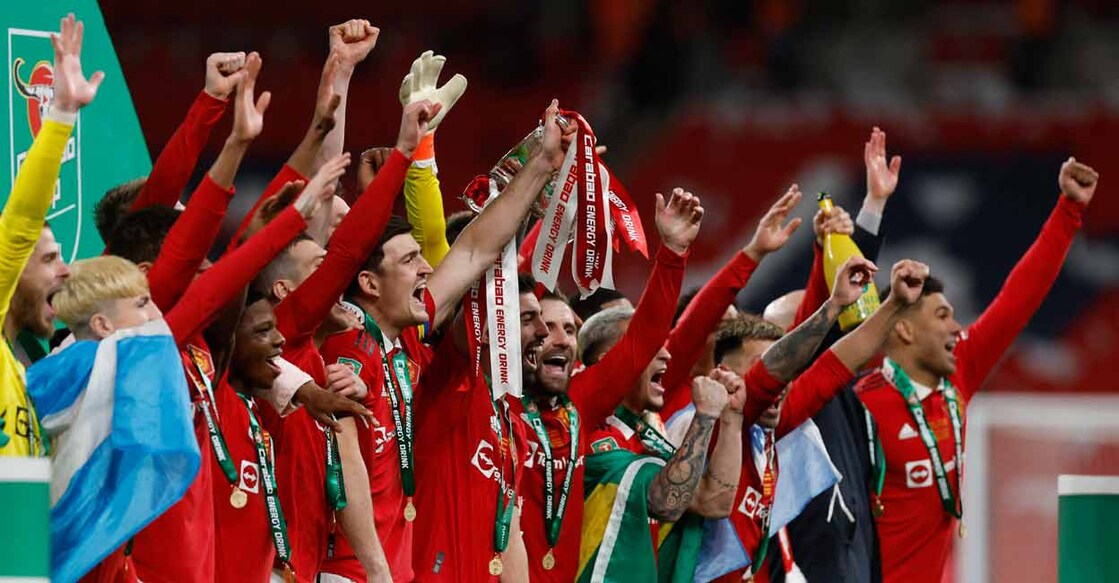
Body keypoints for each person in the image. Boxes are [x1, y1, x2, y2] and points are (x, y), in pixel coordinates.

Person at [856, 158, 1098, 583]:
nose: (956, 326)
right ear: (905, 330)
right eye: (943, 316)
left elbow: (1017, 299)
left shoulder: (957, 373)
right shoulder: (860, 404)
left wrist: (1069, 209)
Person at [698, 259, 929, 583]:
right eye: (766, 371)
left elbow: (838, 361)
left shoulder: (780, 422)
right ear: (722, 372)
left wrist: (895, 304)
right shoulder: (701, 427)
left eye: (785, 375)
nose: (778, 384)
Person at [516, 187, 703, 583]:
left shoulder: (576, 407)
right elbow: (504, 281)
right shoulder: (493, 402)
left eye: (569, 329)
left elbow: (642, 340)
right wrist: (551, 199)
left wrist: (672, 254)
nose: (562, 339)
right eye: (544, 328)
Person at [0, 13, 100, 456]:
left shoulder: (20, 374)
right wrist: (60, 114)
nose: (65, 271)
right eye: (46, 259)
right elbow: (22, 219)